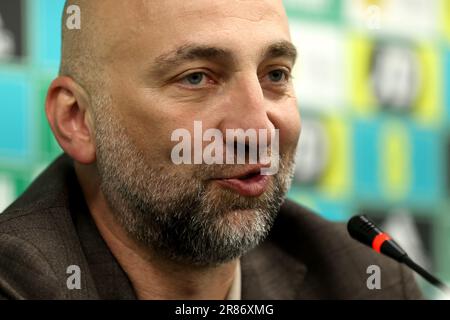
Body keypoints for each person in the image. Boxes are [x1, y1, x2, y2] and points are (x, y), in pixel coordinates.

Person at [0, 0, 422, 299]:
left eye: (275, 74)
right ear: (77, 119)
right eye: (197, 78)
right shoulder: (18, 279)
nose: (258, 129)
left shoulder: (367, 283)